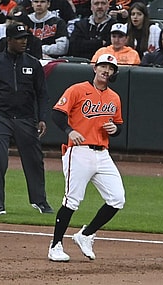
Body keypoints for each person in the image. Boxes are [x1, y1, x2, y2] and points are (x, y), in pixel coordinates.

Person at [47, 53, 126, 262]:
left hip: (102, 154)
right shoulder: (77, 89)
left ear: (114, 73)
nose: (106, 71)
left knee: (117, 199)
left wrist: (115, 129)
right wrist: (69, 130)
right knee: (72, 200)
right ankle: (55, 246)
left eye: (110, 68)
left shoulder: (114, 97)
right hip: (79, 151)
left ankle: (86, 234)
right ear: (95, 68)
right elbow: (57, 113)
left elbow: (118, 126)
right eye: (103, 66)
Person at [0, 23, 53, 216]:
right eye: (20, 38)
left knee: (35, 160)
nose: (24, 42)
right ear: (9, 40)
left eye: (26, 38)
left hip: (26, 118)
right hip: (0, 116)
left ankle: (40, 201)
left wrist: (42, 118)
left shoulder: (33, 63)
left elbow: (43, 94)